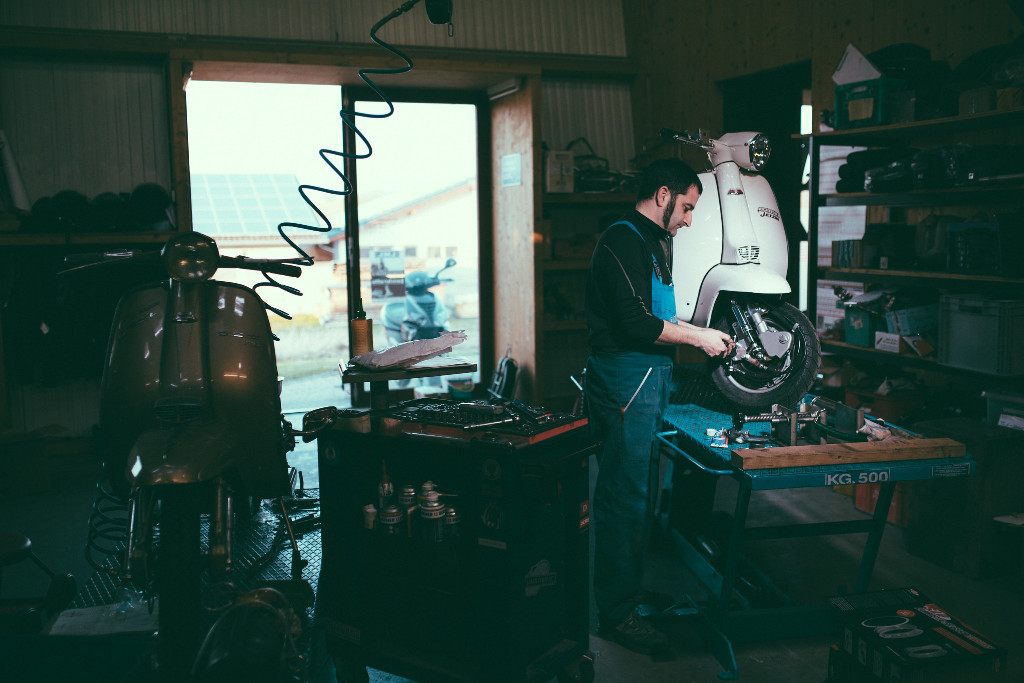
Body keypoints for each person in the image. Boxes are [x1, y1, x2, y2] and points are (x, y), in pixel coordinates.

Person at [584, 158, 734, 655]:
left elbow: (657, 313)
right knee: (622, 501)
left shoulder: (655, 241)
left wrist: (700, 332)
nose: (690, 219)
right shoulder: (623, 239)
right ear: (664, 194)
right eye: (688, 207)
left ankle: (626, 593)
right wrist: (699, 339)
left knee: (639, 498)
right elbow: (635, 323)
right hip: (626, 378)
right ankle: (615, 613)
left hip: (649, 378)